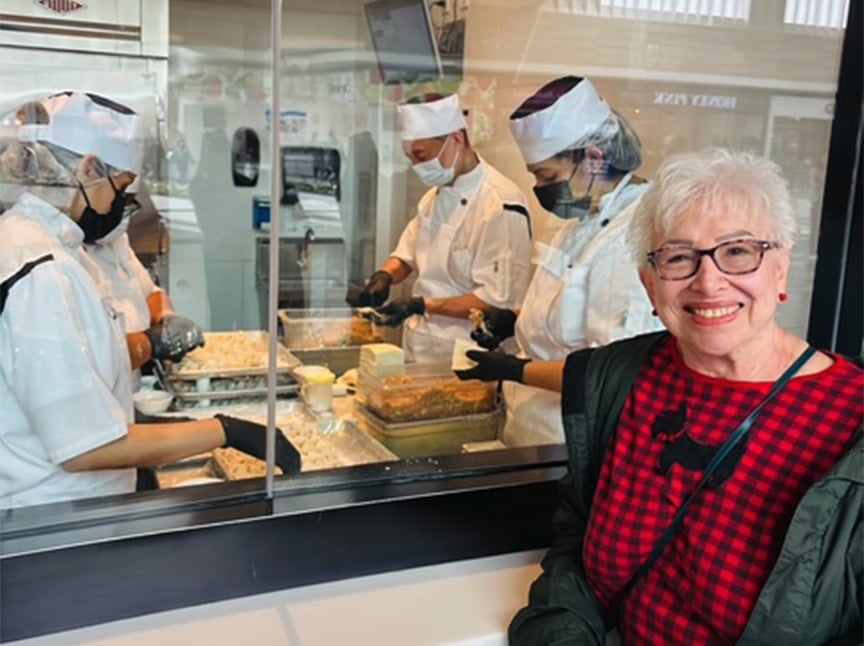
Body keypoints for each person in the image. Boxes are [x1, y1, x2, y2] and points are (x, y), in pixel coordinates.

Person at [508, 148, 863, 645]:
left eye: (738, 251)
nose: (709, 281)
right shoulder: (618, 381)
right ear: (650, 285)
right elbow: (574, 551)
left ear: (781, 268)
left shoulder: (852, 418)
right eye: (678, 257)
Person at [0, 92, 300, 509]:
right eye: (120, 188)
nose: (121, 205)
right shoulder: (43, 269)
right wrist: (225, 431)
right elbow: (85, 447)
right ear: (89, 168)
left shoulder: (46, 246)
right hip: (58, 514)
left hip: (73, 505)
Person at [456, 77, 663, 446]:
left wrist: (517, 370)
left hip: (569, 441)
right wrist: (512, 323)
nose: (539, 188)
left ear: (595, 160)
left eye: (547, 176)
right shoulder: (580, 218)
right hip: (530, 429)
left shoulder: (630, 236)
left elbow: (609, 373)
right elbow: (562, 311)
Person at [348, 93, 532, 363]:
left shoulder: (500, 205)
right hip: (421, 346)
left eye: (421, 156)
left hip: (468, 355)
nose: (417, 167)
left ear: (456, 140)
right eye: (411, 158)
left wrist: (421, 305)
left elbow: (496, 300)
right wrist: (385, 276)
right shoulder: (434, 197)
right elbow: (408, 253)